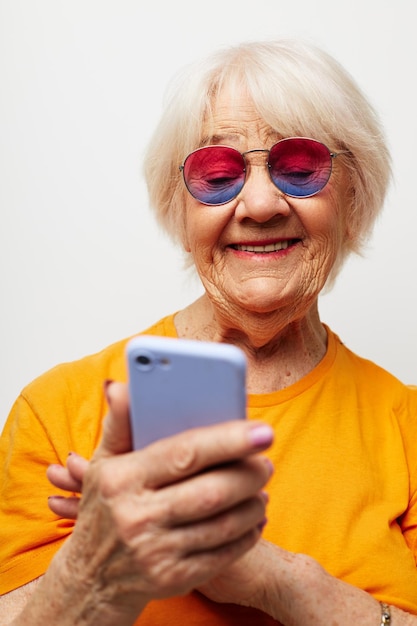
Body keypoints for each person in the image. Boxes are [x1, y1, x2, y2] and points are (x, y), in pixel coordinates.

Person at [0, 37, 416, 625]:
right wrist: (99, 565)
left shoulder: (408, 429)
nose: (262, 204)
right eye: (217, 174)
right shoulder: (56, 411)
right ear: (179, 205)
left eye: (301, 167)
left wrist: (280, 581)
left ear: (356, 191)